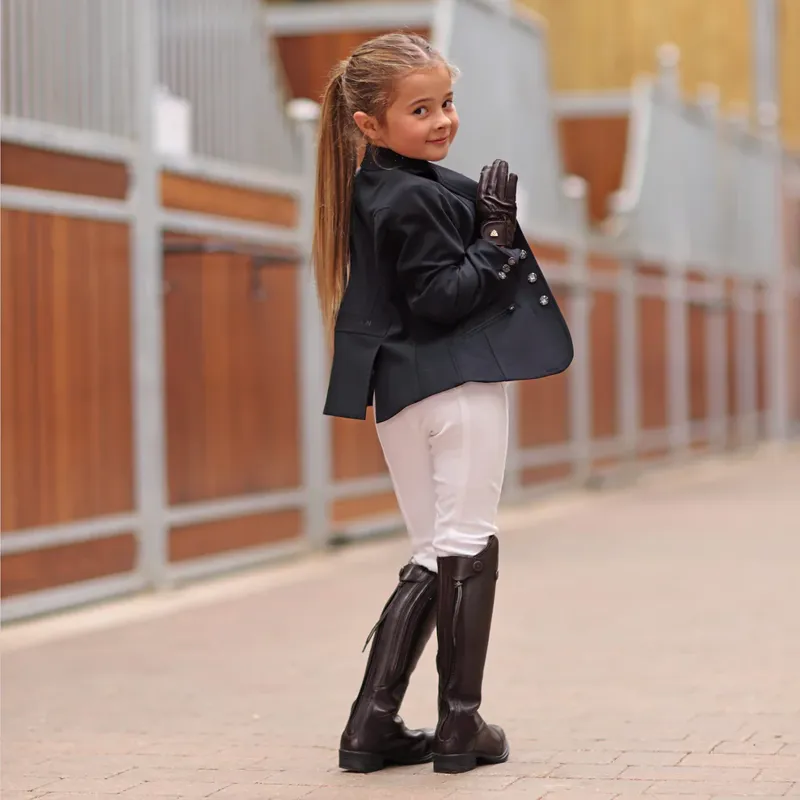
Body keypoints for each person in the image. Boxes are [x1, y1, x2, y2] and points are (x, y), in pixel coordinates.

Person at [312, 32, 573, 775]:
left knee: (434, 548)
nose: (442, 121)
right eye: (420, 109)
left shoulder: (374, 187)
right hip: (454, 384)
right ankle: (461, 726)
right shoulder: (412, 195)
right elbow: (444, 296)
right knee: (467, 541)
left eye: (447, 103)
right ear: (368, 124)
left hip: (398, 393)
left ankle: (372, 727)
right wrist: (493, 231)